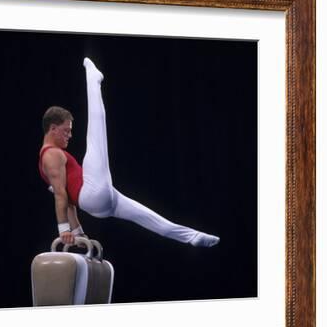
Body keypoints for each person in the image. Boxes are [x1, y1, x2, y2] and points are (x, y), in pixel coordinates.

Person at [38, 57, 220, 248]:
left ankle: (192, 237)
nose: (70, 135)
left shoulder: (48, 161)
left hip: (102, 202)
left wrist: (78, 233)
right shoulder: (51, 155)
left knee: (149, 218)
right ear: (52, 129)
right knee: (95, 134)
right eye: (66, 130)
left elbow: (68, 203)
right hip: (92, 192)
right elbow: (60, 195)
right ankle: (92, 78)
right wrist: (64, 230)